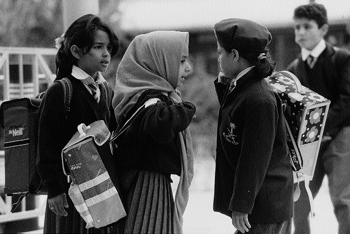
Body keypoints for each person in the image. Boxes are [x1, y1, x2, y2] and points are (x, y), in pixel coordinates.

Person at [37, 14, 119, 233]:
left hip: (99, 190)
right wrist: (55, 189)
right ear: (76, 51)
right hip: (69, 193)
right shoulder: (61, 91)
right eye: (98, 47)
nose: (106, 54)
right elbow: (47, 144)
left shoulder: (105, 90)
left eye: (109, 48)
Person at [212, 18, 294, 234]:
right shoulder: (246, 89)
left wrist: (241, 205)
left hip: (264, 206)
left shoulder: (260, 99)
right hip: (260, 204)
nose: (218, 58)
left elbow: (254, 159)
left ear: (235, 55)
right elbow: (235, 119)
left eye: (221, 53)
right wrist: (224, 85)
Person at [112, 31, 196, 234]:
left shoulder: (136, 95)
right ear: (159, 62)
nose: (188, 68)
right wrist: (187, 109)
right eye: (181, 60)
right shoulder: (150, 98)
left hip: (145, 184)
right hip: (148, 186)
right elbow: (160, 126)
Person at [287, 3, 350, 234]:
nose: (300, 32)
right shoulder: (293, 69)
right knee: (298, 201)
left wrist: (319, 126)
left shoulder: (342, 59)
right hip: (307, 145)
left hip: (339, 136)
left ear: (323, 30)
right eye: (296, 27)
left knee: (344, 200)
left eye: (307, 26)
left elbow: (347, 101)